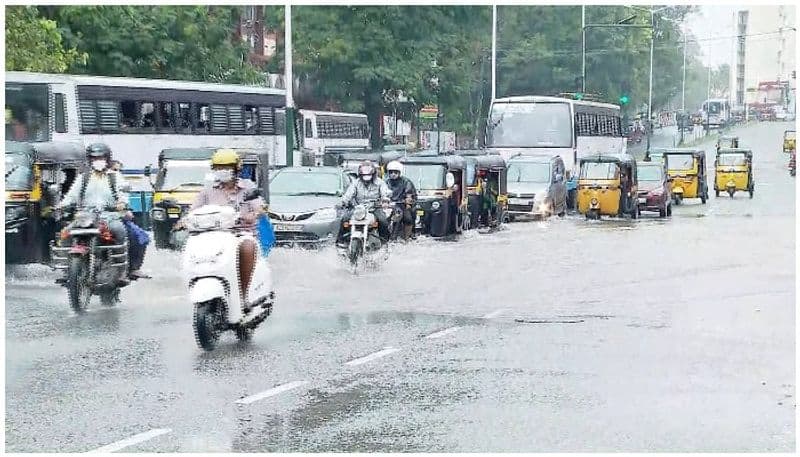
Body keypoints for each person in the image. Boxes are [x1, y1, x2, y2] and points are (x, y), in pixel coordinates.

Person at [183, 149, 266, 303]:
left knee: (247, 247)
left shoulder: (247, 187)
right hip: (214, 235)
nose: (223, 171)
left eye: (227, 167)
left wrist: (252, 215)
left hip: (241, 233)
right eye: (219, 168)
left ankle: (243, 295)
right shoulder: (207, 190)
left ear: (236, 169)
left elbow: (259, 207)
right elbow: (193, 210)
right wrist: (183, 221)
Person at [57, 143, 129, 276]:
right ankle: (67, 270)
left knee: (119, 230)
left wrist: (122, 202)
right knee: (65, 233)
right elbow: (71, 195)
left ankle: (121, 271)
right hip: (85, 217)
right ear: (90, 160)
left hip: (109, 217)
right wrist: (61, 205)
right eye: (94, 158)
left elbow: (123, 193)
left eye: (101, 158)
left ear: (107, 159)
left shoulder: (115, 176)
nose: (98, 161)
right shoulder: (83, 178)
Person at [336, 161, 391, 246]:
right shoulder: (356, 183)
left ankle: (385, 243)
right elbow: (349, 193)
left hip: (374, 208)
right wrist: (343, 202)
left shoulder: (380, 182)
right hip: (358, 209)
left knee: (383, 221)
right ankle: (341, 241)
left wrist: (385, 201)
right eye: (364, 175)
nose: (366, 178)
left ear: (373, 174)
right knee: (345, 218)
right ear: (360, 174)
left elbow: (385, 192)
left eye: (368, 175)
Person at [384, 160, 417, 240]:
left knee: (408, 218)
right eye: (391, 172)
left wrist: (408, 201)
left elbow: (409, 193)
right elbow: (382, 192)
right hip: (388, 206)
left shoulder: (406, 182)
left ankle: (408, 236)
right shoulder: (385, 182)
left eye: (395, 172)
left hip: (402, 205)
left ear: (399, 173)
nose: (393, 174)